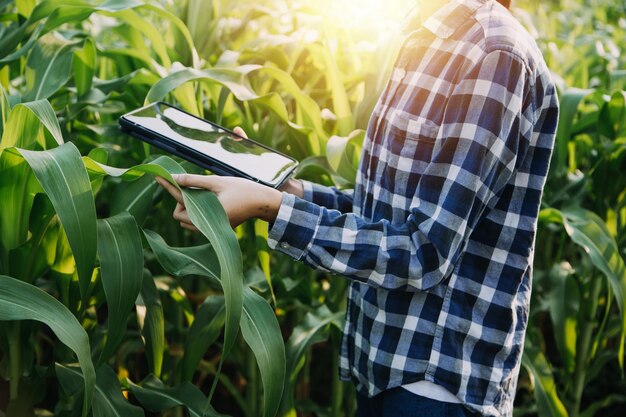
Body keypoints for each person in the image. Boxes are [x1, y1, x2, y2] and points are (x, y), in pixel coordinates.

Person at [156, 0, 559, 415]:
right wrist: (281, 188)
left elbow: (425, 251)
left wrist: (270, 207)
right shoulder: (425, 38)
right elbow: (384, 211)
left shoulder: (494, 56)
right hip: (380, 362)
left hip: (435, 386)